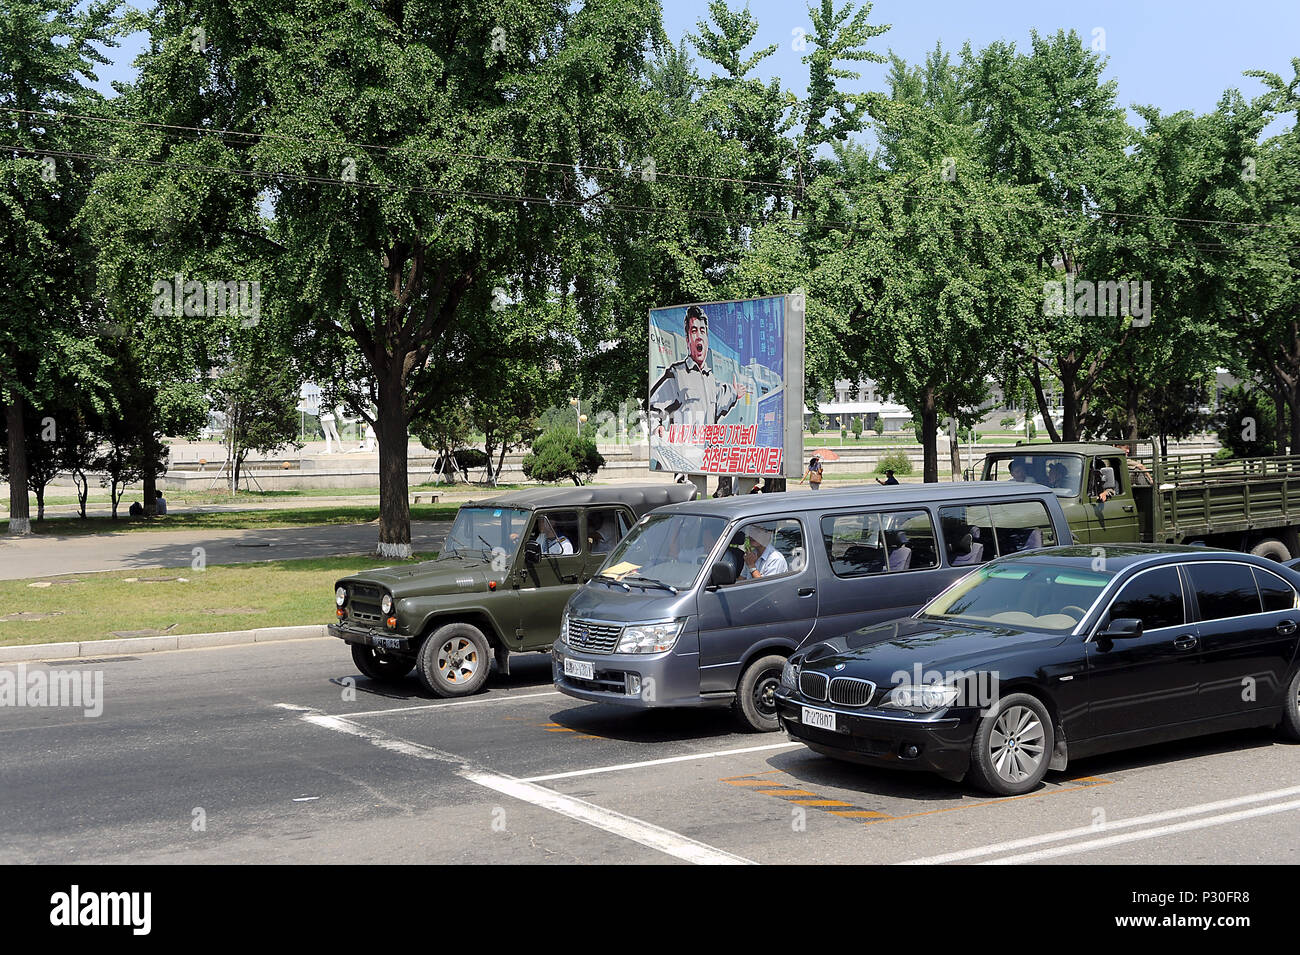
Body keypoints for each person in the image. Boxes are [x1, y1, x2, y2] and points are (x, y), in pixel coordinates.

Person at [648, 305, 749, 432]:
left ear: (707, 340)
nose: (699, 336)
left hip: (709, 451)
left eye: (702, 331)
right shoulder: (676, 374)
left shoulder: (710, 378)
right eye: (694, 331)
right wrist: (657, 428)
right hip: (686, 450)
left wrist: (735, 393)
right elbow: (653, 408)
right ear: (688, 340)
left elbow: (722, 395)